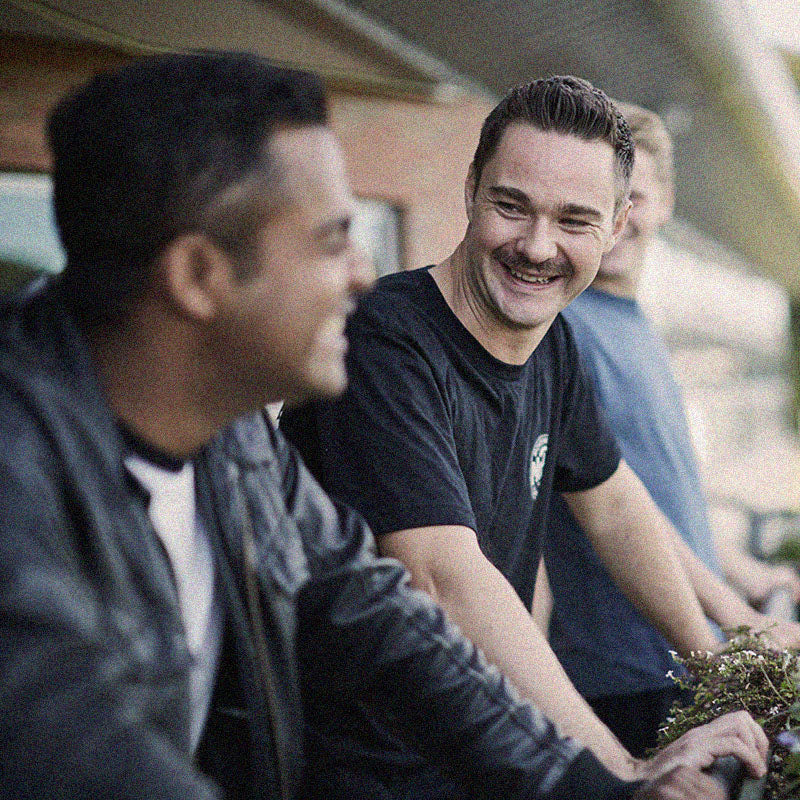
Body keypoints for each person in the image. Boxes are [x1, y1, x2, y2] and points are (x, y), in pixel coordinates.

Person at [0, 52, 759, 800]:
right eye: (333, 239)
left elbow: (383, 615)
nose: (364, 272)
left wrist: (598, 779)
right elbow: (88, 754)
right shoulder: (17, 486)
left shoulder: (234, 445)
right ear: (199, 276)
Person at [280, 75, 794, 797]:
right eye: (511, 206)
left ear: (616, 226)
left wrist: (723, 665)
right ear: (470, 192)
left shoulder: (554, 347)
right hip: (368, 771)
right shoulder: (385, 342)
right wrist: (625, 767)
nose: (537, 245)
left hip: (480, 757)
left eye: (574, 220)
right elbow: (441, 575)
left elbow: (615, 507)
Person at [535, 101, 800, 757]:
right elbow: (618, 505)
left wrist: (748, 574)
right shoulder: (568, 329)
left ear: (664, 204)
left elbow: (670, 491)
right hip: (624, 670)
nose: (617, 215)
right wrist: (732, 623)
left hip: (684, 651)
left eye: (636, 195)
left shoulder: (638, 323)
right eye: (600, 197)